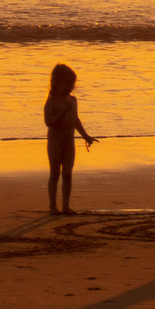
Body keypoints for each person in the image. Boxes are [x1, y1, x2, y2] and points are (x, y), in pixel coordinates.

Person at [44, 63, 97, 215]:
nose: (70, 87)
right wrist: (62, 113)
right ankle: (53, 206)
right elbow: (48, 122)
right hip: (55, 142)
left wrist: (86, 136)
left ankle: (66, 206)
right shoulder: (52, 101)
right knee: (55, 173)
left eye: (72, 84)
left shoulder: (73, 100)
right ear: (56, 83)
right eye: (66, 83)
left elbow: (75, 120)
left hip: (69, 142)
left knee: (67, 174)